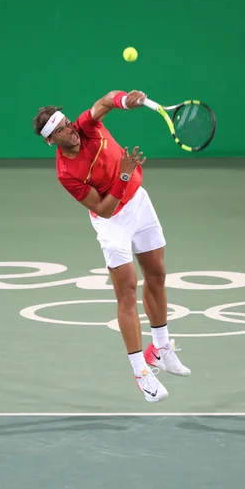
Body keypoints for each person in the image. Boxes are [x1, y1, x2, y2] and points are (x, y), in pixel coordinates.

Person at [32, 89, 190, 403]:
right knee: (127, 291)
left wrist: (125, 100)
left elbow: (104, 102)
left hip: (139, 204)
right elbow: (103, 208)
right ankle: (141, 373)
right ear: (51, 140)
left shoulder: (86, 126)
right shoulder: (66, 173)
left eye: (67, 123)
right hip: (112, 222)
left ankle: (160, 349)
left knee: (157, 276)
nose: (70, 131)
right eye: (61, 130)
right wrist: (125, 174)